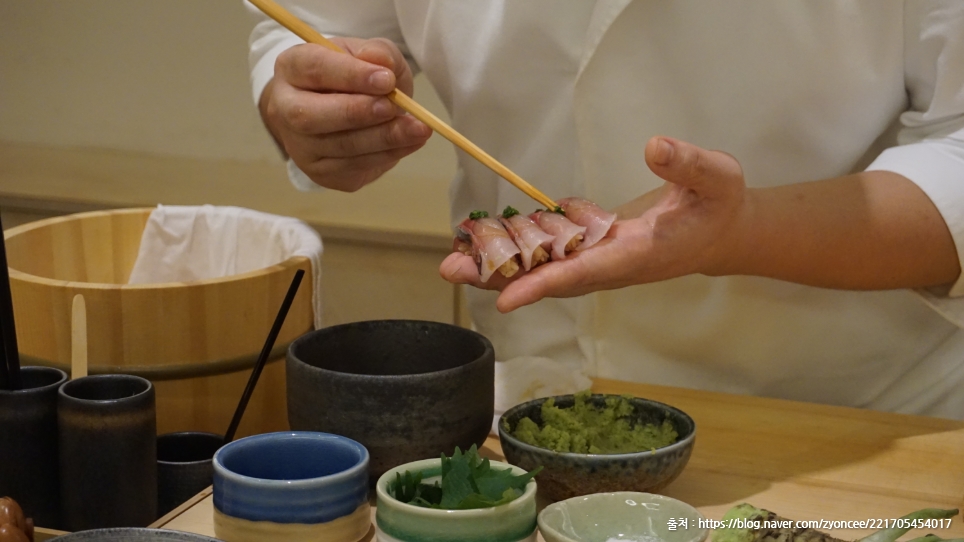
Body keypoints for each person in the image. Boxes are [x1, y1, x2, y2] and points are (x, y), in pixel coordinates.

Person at [246, 1, 964, 418]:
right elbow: (307, 22)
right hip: (526, 393)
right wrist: (307, 108)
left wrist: (744, 232)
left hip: (850, 415)